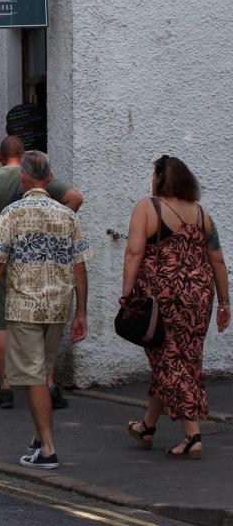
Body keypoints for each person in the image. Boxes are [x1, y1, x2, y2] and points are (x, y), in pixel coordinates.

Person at [0, 151, 90, 470]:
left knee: (33, 377)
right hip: (58, 305)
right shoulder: (67, 216)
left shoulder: (11, 214)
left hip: (24, 306)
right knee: (41, 374)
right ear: (50, 178)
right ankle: (38, 437)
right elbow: (80, 267)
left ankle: (49, 449)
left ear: (23, 178)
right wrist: (81, 311)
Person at [0, 136, 83, 408]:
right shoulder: (37, 174)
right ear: (23, 154)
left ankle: (6, 386)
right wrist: (50, 227)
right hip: (36, 257)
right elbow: (75, 198)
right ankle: (47, 384)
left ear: (0, 157)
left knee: (0, 322)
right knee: (43, 317)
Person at [121, 155, 230, 459]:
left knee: (167, 360)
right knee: (184, 359)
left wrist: (126, 294)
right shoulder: (202, 214)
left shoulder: (148, 207)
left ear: (160, 178)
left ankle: (193, 435)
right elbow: (218, 260)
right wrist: (224, 302)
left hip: (160, 297)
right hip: (199, 297)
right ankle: (147, 426)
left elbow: (134, 252)